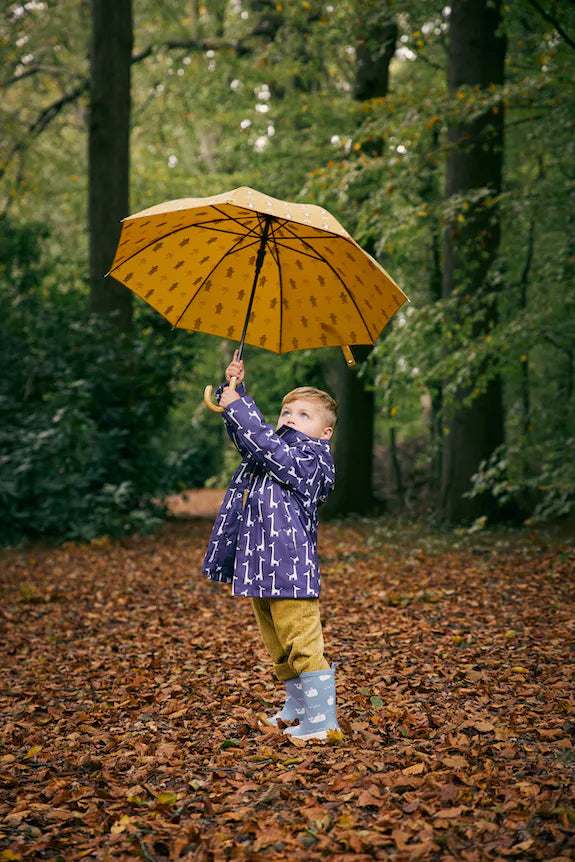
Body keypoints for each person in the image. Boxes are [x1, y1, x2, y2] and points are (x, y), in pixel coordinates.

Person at [202, 351, 340, 741]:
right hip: (260, 566)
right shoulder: (270, 449)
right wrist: (235, 391)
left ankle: (323, 722)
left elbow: (268, 447)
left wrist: (241, 407)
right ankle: (297, 710)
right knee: (278, 646)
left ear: (324, 432)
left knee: (301, 642)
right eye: (287, 412)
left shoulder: (314, 460)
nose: (290, 419)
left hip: (290, 569)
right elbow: (254, 441)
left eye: (303, 415)